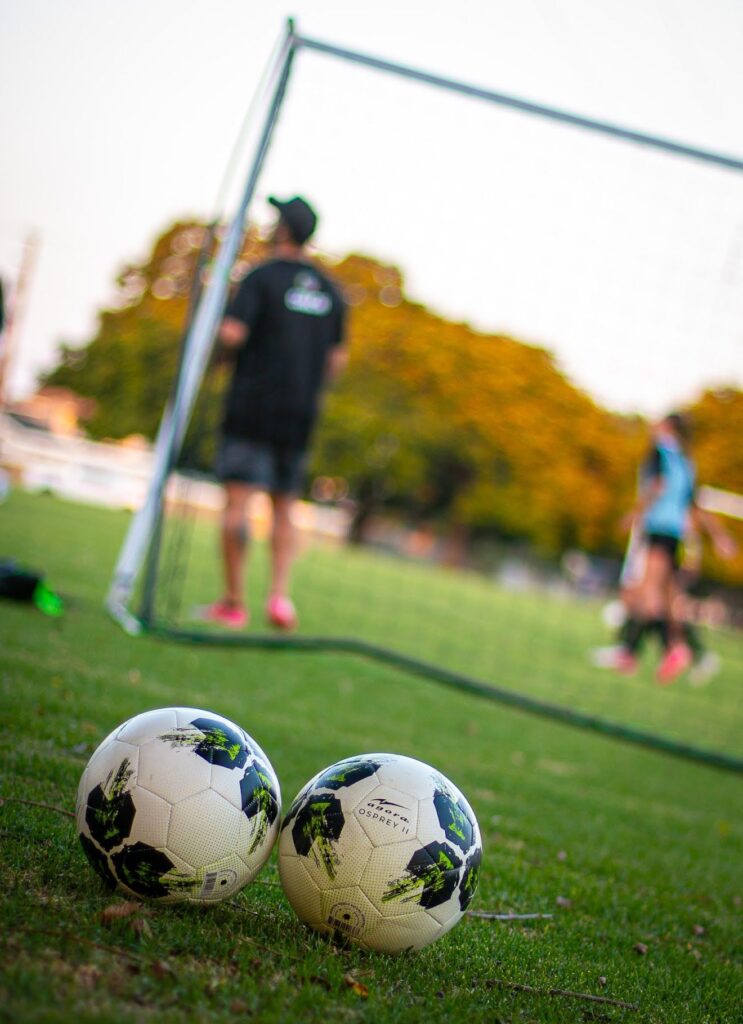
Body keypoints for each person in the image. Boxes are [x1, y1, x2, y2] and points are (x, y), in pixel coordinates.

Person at [200, 195, 348, 630]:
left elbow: (232, 333)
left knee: (238, 504)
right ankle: (280, 599)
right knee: (286, 507)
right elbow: (337, 362)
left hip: (252, 407)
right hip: (299, 414)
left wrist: (213, 349)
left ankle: (234, 602)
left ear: (282, 229)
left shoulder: (259, 277)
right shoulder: (331, 292)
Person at [592, 413, 734, 684]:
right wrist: (720, 537)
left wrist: (634, 513)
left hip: (658, 530)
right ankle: (670, 650)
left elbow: (658, 486)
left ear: (668, 427)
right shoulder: (686, 462)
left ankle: (661, 649)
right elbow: (695, 505)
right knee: (668, 598)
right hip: (674, 535)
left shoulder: (660, 453)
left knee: (648, 594)